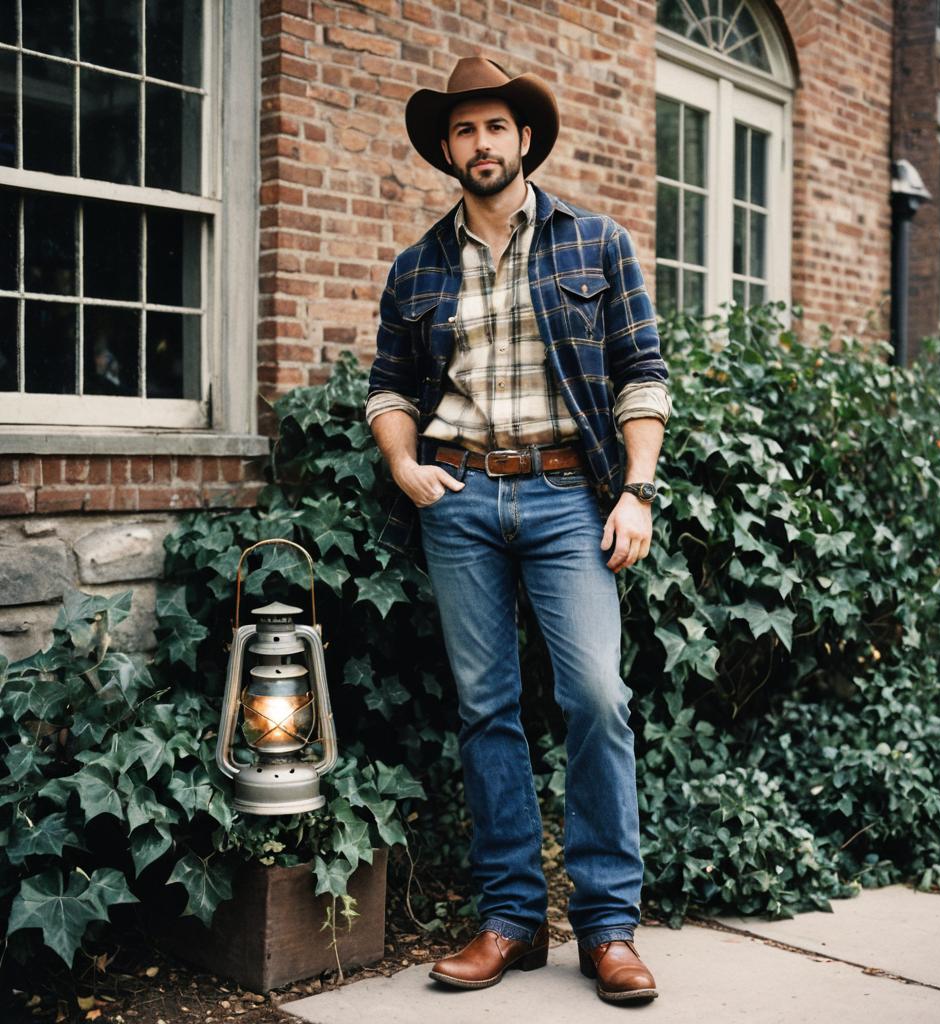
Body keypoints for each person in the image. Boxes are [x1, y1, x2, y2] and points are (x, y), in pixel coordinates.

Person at [365, 55, 670, 1004]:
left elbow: (642, 375)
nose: (480, 144)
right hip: (458, 502)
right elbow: (389, 386)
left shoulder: (597, 243)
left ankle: (608, 928)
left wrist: (638, 491)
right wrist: (405, 465)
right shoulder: (417, 266)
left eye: (494, 127)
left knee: (596, 698)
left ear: (523, 139)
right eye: (463, 130)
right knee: (486, 710)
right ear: (447, 149)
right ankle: (509, 919)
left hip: (565, 495)